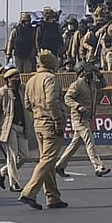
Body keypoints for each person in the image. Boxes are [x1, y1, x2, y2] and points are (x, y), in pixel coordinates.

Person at [19, 49, 68, 210]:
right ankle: (29, 192)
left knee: (48, 161)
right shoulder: (50, 79)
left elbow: (27, 104)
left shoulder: (32, 80)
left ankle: (53, 197)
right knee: (47, 160)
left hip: (38, 123)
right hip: (51, 124)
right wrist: (58, 121)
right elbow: (52, 102)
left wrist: (37, 116)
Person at [55, 62, 110, 178]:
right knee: (90, 141)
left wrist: (99, 74)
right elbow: (67, 98)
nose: (90, 74)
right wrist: (78, 106)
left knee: (74, 144)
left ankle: (60, 165)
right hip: (79, 119)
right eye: (88, 71)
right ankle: (98, 166)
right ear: (82, 73)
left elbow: (104, 84)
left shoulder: (92, 84)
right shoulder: (77, 85)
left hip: (88, 118)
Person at [0, 67, 30, 192]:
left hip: (22, 126)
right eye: (13, 79)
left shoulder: (23, 89)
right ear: (7, 80)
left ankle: (2, 172)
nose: (16, 81)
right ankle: (14, 183)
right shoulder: (1, 93)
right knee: (12, 155)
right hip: (8, 127)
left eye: (18, 78)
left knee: (24, 156)